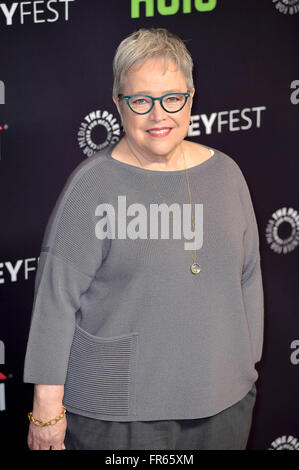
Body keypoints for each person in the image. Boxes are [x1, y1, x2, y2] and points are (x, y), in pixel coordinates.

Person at [23, 28, 264, 450]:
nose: (159, 116)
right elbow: (55, 302)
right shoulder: (91, 186)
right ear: (119, 105)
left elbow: (247, 275)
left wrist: (244, 367)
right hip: (118, 417)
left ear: (191, 97)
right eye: (141, 101)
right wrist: (47, 406)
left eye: (172, 98)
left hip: (224, 407)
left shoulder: (227, 173)